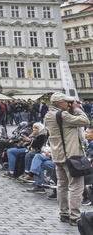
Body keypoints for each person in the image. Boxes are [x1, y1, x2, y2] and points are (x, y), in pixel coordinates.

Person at [44, 92, 90, 226]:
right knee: (76, 186)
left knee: (62, 186)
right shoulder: (63, 115)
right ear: (60, 103)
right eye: (67, 102)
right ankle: (75, 216)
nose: (70, 104)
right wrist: (76, 108)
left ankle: (64, 213)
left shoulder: (49, 114)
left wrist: (69, 108)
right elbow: (85, 121)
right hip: (71, 156)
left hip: (58, 155)